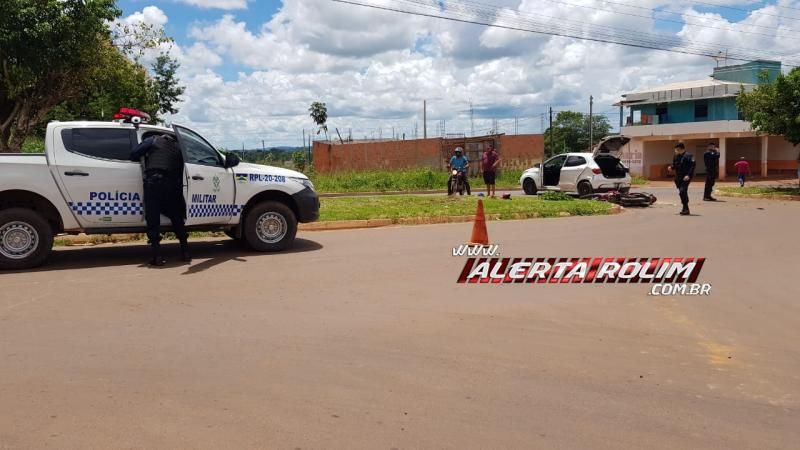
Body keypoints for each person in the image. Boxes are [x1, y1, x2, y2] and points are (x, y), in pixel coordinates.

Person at [130, 134, 191, 266]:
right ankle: (186, 252)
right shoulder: (178, 148)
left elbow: (134, 154)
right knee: (176, 217)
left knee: (153, 218)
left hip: (154, 183)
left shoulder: (153, 140)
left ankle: (157, 256)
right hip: (172, 185)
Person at [667, 143, 695, 216]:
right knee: (682, 192)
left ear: (682, 149)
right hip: (678, 177)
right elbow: (675, 165)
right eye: (675, 150)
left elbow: (692, 166)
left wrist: (688, 175)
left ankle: (685, 208)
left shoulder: (689, 156)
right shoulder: (676, 156)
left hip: (686, 177)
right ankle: (685, 208)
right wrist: (671, 167)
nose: (676, 151)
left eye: (677, 149)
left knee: (682, 191)